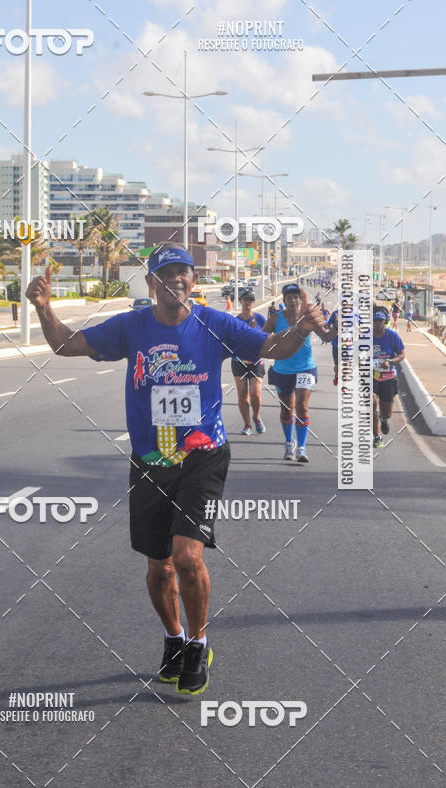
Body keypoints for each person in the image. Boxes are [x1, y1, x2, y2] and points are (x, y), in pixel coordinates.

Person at [26, 244, 324, 695]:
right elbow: (68, 345)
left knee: (187, 557)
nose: (177, 280)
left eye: (184, 273)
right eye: (167, 274)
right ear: (151, 284)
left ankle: (198, 643)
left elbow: (276, 349)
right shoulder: (132, 326)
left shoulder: (214, 323)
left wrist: (301, 329)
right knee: (159, 568)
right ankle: (174, 637)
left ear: (192, 280)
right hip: (151, 461)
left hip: (202, 456)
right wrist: (44, 309)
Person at [263, 282, 328, 463]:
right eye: (289, 297)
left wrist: (338, 327)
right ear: (284, 300)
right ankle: (288, 442)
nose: (293, 300)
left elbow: (326, 337)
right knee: (286, 410)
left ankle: (301, 447)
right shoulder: (276, 318)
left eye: (296, 297)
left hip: (306, 367)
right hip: (282, 370)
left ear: (300, 300)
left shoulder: (307, 317)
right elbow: (261, 338)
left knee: (302, 407)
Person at [231, 289, 267, 435]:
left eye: (250, 300)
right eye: (245, 300)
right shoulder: (235, 321)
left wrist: (255, 331)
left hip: (256, 361)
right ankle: (247, 425)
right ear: (240, 301)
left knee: (255, 394)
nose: (248, 303)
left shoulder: (260, 318)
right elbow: (231, 340)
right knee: (242, 395)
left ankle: (256, 417)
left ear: (254, 302)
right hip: (239, 361)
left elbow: (267, 337)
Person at [372, 305, 405, 447]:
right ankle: (377, 437)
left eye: (380, 320)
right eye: (375, 320)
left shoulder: (392, 336)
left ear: (384, 321)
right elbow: (355, 354)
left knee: (387, 412)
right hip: (370, 376)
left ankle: (384, 419)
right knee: (371, 404)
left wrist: (390, 361)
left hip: (388, 377)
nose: (377, 323)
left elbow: (402, 354)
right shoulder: (364, 335)